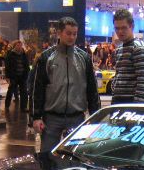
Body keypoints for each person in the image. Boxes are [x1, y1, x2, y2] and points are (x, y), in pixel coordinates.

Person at [32, 16, 99, 156]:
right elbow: (37, 89)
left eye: (74, 34)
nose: (72, 37)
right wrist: (36, 117)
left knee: (76, 158)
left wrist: (96, 116)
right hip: (51, 118)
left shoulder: (84, 58)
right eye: (68, 33)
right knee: (47, 158)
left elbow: (92, 90)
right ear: (59, 33)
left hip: (77, 117)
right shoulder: (46, 57)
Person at [110, 9, 144, 104]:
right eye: (117, 28)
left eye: (124, 28)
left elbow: (143, 82)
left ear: (132, 26)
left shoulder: (138, 48)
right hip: (118, 101)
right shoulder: (119, 49)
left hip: (131, 102)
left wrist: (137, 106)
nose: (120, 31)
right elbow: (118, 75)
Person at [4, 40, 30, 112]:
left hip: (22, 76)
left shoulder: (24, 54)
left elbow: (26, 64)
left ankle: (23, 107)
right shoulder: (10, 54)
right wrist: (7, 76)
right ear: (14, 46)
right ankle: (7, 105)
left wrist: (27, 73)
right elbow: (7, 66)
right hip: (13, 76)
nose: (19, 47)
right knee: (10, 91)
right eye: (18, 45)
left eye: (20, 45)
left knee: (24, 92)